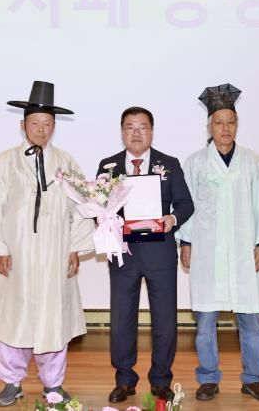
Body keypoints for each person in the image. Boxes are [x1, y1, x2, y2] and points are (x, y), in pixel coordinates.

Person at [0, 81, 94, 407]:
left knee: (53, 317)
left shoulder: (66, 162)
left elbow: (82, 206)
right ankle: (11, 382)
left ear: (54, 126)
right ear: (23, 125)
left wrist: (76, 247)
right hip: (17, 253)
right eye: (35, 123)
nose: (41, 129)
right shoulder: (5, 162)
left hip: (55, 253)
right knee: (13, 316)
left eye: (47, 124)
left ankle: (53, 385)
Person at [177, 83, 259, 402]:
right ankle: (208, 378)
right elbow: (187, 205)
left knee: (250, 320)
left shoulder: (252, 162)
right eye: (219, 122)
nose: (225, 128)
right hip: (207, 251)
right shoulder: (195, 163)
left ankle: (253, 378)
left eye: (230, 122)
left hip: (244, 251)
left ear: (237, 124)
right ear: (209, 126)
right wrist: (185, 242)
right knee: (205, 323)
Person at [96, 107, 194, 403]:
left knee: (164, 319)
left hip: (160, 252)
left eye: (142, 127)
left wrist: (172, 219)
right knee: (121, 318)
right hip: (123, 253)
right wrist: (105, 221)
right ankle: (124, 379)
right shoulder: (108, 166)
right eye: (130, 127)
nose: (136, 133)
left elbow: (186, 204)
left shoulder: (169, 164)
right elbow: (98, 207)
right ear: (122, 131)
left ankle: (161, 379)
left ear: (152, 131)